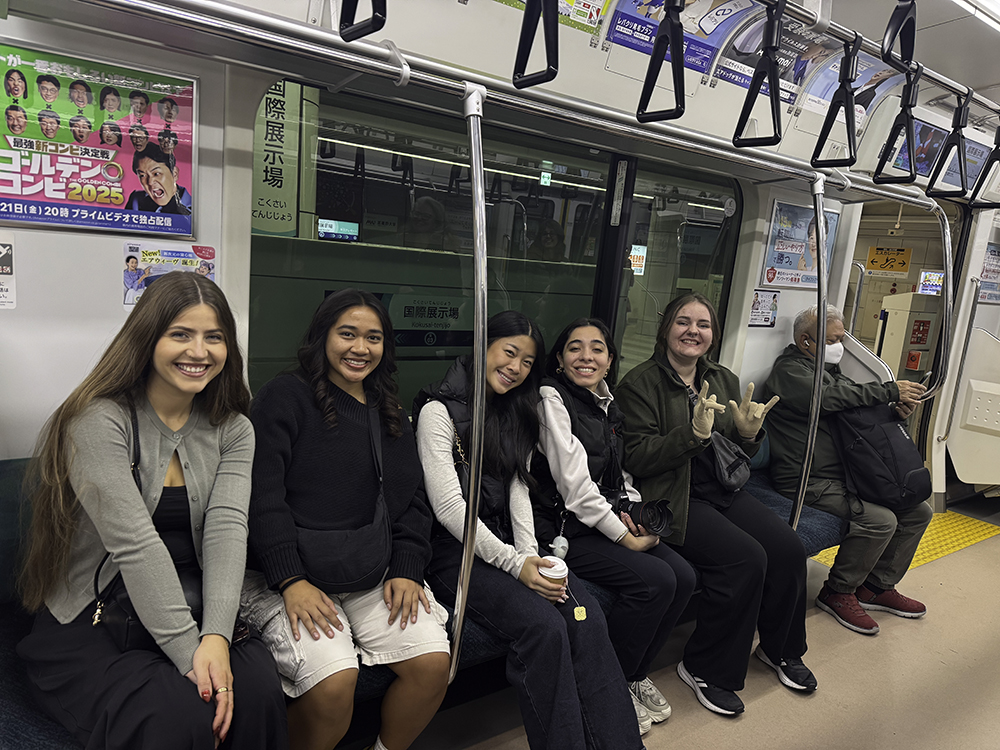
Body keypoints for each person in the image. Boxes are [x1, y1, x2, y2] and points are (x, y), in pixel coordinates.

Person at [16, 271, 289, 750]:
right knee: (180, 713)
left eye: (214, 337)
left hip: (195, 601)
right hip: (98, 615)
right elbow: (135, 545)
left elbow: (227, 532)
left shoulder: (233, 428)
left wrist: (217, 640)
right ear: (147, 338)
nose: (199, 352)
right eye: (180, 334)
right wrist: (191, 655)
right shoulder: (99, 418)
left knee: (259, 690)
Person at [413, 310, 643, 750]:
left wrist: (530, 554)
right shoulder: (437, 412)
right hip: (453, 553)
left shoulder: (513, 409)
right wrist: (514, 563)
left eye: (526, 361)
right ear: (483, 346)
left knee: (585, 614)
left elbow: (519, 485)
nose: (515, 368)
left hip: (510, 547)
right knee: (545, 627)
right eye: (508, 353)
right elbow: (448, 508)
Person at [242, 288, 450, 750]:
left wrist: (407, 567)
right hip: (286, 573)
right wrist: (290, 579)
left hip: (368, 567)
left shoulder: (388, 410)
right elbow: (261, 496)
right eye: (348, 334)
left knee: (433, 663)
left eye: (373, 338)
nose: (360, 348)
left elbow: (412, 499)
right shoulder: (285, 397)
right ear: (322, 337)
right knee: (335, 683)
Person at [617, 293, 816, 716]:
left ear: (713, 334)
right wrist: (691, 435)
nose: (693, 331)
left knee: (788, 549)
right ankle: (706, 666)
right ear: (665, 329)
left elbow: (735, 445)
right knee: (746, 559)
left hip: (723, 490)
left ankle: (780, 649)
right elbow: (635, 457)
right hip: (674, 498)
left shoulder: (722, 378)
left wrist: (748, 434)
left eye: (703, 325)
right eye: (683, 322)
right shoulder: (639, 384)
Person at [530, 317, 697, 735]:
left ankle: (635, 672)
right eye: (575, 348)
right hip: (564, 529)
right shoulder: (551, 397)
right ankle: (612, 684)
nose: (586, 356)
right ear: (559, 358)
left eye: (597, 349)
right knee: (654, 581)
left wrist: (634, 515)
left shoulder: (607, 403)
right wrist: (622, 535)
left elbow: (619, 478)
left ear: (609, 360)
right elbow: (574, 487)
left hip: (604, 518)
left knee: (684, 575)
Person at [759, 304, 932, 636]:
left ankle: (876, 587)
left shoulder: (829, 372)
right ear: (805, 341)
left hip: (847, 474)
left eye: (841, 339)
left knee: (918, 512)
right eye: (832, 340)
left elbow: (857, 413)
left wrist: (894, 411)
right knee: (881, 520)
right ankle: (838, 591)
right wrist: (888, 390)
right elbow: (828, 398)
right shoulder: (789, 372)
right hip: (807, 479)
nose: (839, 347)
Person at [127, 145, 192, 216]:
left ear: (174, 174)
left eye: (156, 174)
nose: (150, 182)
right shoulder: (136, 201)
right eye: (142, 175)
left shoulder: (195, 208)